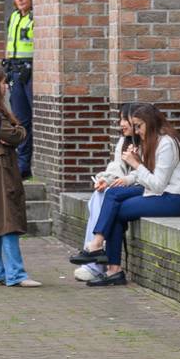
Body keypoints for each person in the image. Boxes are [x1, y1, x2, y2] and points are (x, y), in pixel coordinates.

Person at [71, 104, 180, 286]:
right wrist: (128, 178)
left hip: (174, 199)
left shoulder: (167, 143)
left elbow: (158, 185)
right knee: (113, 198)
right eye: (134, 126)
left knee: (115, 208)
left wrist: (136, 164)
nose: (136, 131)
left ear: (150, 123)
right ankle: (112, 269)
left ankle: (99, 248)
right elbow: (146, 174)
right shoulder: (153, 141)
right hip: (157, 194)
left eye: (139, 126)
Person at [0, 65, 39, 288]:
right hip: (0, 168)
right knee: (7, 218)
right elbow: (12, 135)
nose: (7, 86)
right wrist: (18, 130)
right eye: (3, 82)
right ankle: (16, 274)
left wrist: (14, 131)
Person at [74, 103, 146, 282]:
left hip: (143, 188)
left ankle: (95, 254)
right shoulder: (124, 141)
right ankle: (93, 260)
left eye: (125, 119)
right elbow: (117, 168)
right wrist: (105, 180)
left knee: (110, 197)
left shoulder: (149, 141)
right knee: (99, 194)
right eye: (120, 119)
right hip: (127, 186)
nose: (121, 124)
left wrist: (129, 174)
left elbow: (148, 173)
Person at [3, 0, 34, 179]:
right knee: (20, 119)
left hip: (30, 71)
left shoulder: (33, 18)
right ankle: (23, 166)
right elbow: (9, 45)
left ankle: (26, 163)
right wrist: (5, 71)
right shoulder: (13, 17)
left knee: (32, 117)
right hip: (15, 71)